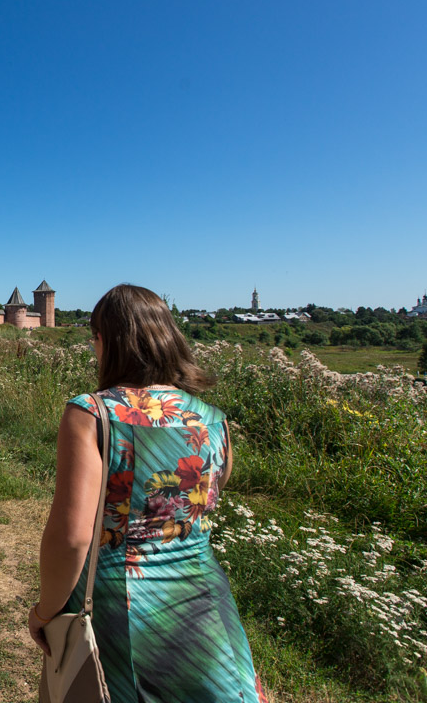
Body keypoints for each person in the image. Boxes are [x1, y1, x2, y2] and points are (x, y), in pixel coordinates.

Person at [27, 284, 266, 703]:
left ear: (107, 341)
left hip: (122, 607)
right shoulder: (214, 421)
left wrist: (45, 611)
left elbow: (73, 538)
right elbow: (206, 500)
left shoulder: (91, 414)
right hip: (205, 604)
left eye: (94, 338)